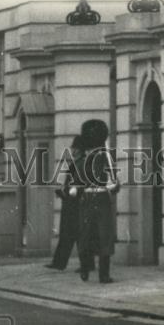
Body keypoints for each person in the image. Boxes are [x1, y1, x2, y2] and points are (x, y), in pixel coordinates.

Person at [73, 119, 119, 283]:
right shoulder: (102, 159)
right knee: (94, 237)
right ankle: (95, 271)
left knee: (96, 237)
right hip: (96, 199)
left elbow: (114, 185)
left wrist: (112, 184)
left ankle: (93, 271)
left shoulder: (96, 160)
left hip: (93, 199)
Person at [46, 135, 86, 271]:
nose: (72, 150)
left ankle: (63, 263)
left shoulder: (81, 163)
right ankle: (59, 263)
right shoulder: (78, 163)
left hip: (75, 204)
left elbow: (79, 185)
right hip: (71, 202)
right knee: (69, 235)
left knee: (76, 235)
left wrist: (65, 193)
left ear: (79, 149)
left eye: (74, 148)